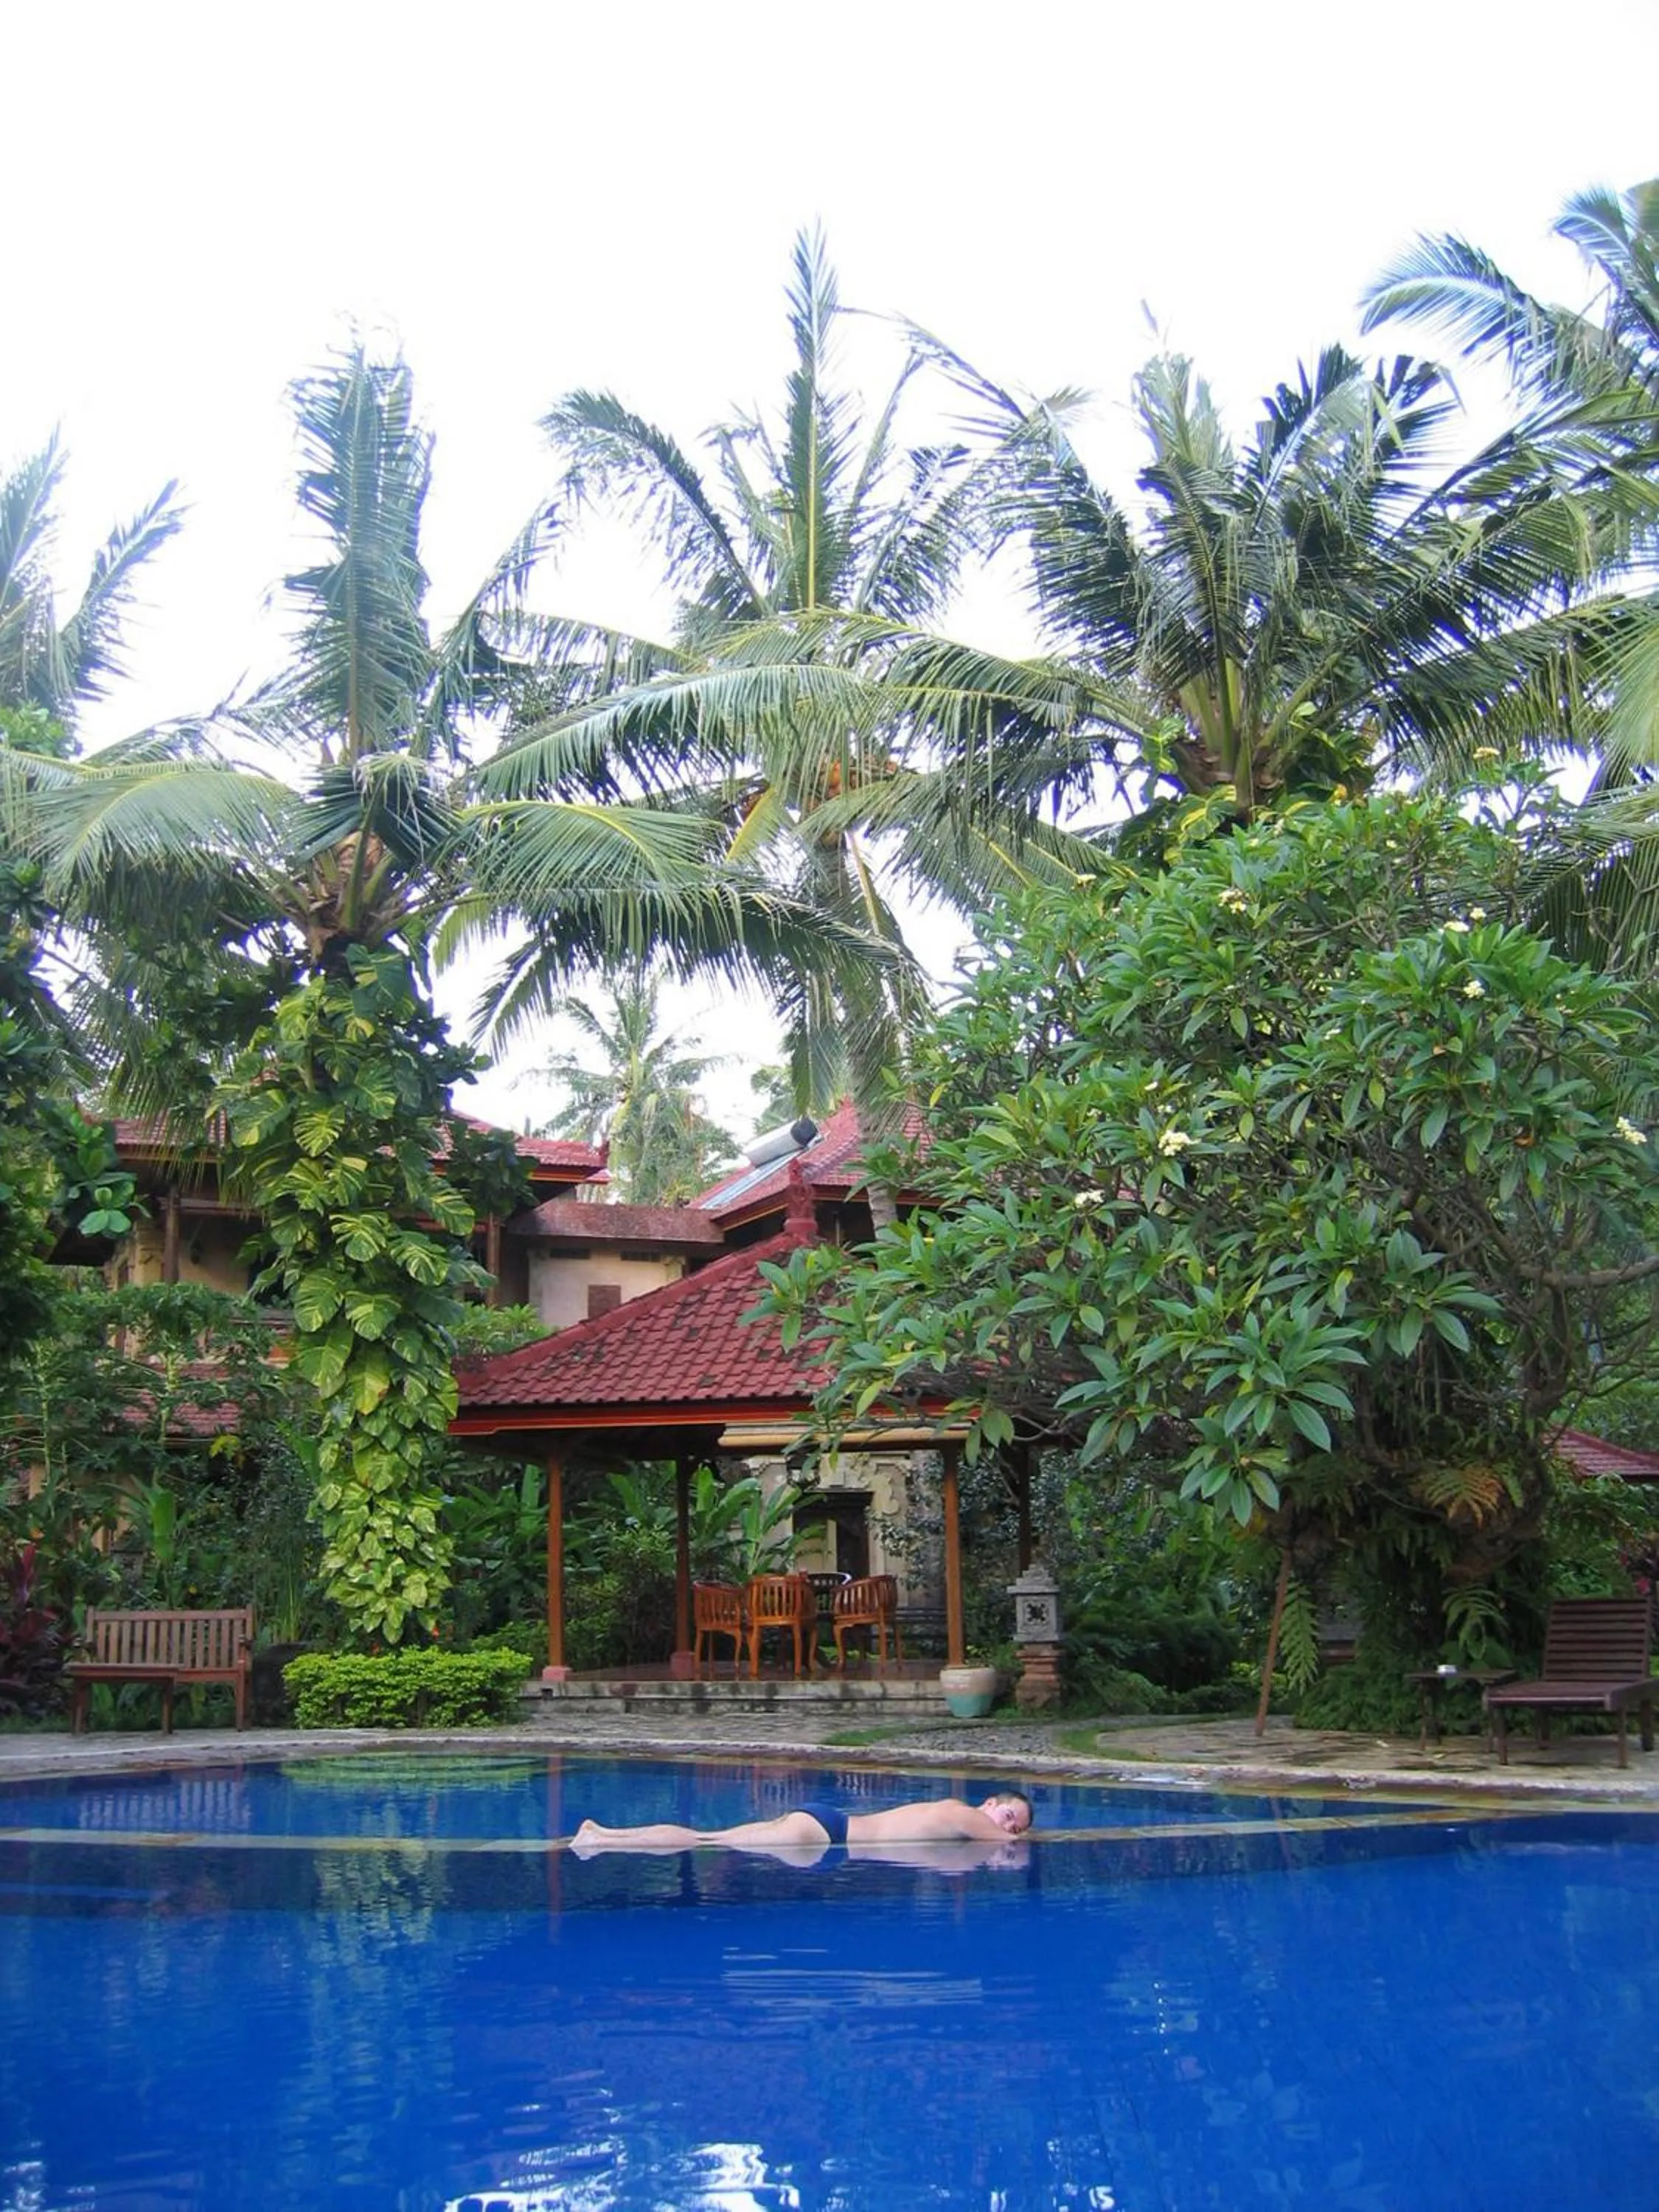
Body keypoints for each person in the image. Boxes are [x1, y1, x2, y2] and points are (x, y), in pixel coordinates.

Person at [570, 1788, 1033, 1861]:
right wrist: (1017, 1846)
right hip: (826, 1834)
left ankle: (606, 1837)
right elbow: (1009, 1845)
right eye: (1010, 1817)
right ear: (990, 1803)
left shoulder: (960, 1822)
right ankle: (601, 1838)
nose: (1009, 1830)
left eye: (1016, 1828)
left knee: (713, 1840)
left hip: (826, 1829)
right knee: (704, 1840)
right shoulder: (970, 1817)